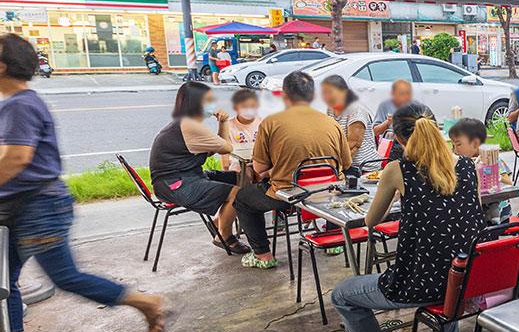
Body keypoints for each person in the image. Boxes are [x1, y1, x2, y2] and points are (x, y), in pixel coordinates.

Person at [0, 34, 165, 332]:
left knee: (65, 277)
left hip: (38, 208)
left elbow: (16, 158)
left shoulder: (20, 104)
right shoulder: (17, 102)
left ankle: (145, 302)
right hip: (26, 206)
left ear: (2, 66)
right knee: (4, 279)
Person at [329, 106, 484, 332]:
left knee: (342, 294)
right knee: (451, 254)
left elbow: (371, 221)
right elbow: (469, 220)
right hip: (467, 280)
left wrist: (396, 195)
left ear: (399, 139)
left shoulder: (397, 170)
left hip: (419, 284)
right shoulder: (466, 165)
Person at [234, 71, 350, 269]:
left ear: (284, 95)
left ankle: (263, 255)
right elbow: (345, 164)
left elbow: (260, 168)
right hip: (329, 193)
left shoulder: (270, 123)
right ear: (313, 96)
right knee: (334, 184)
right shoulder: (332, 123)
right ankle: (334, 241)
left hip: (289, 195)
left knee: (243, 199)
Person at [149, 81, 248, 254]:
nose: (213, 104)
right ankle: (224, 236)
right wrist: (224, 122)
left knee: (242, 177)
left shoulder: (184, 123)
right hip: (175, 185)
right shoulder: (190, 126)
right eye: (208, 100)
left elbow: (217, 148)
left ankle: (218, 223)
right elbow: (226, 147)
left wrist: (222, 122)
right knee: (235, 193)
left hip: (184, 178)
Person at [322, 75, 379, 174]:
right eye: (324, 93)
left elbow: (354, 146)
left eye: (330, 92)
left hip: (362, 166)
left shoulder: (356, 110)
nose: (327, 97)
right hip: (344, 163)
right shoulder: (330, 110)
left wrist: (339, 168)